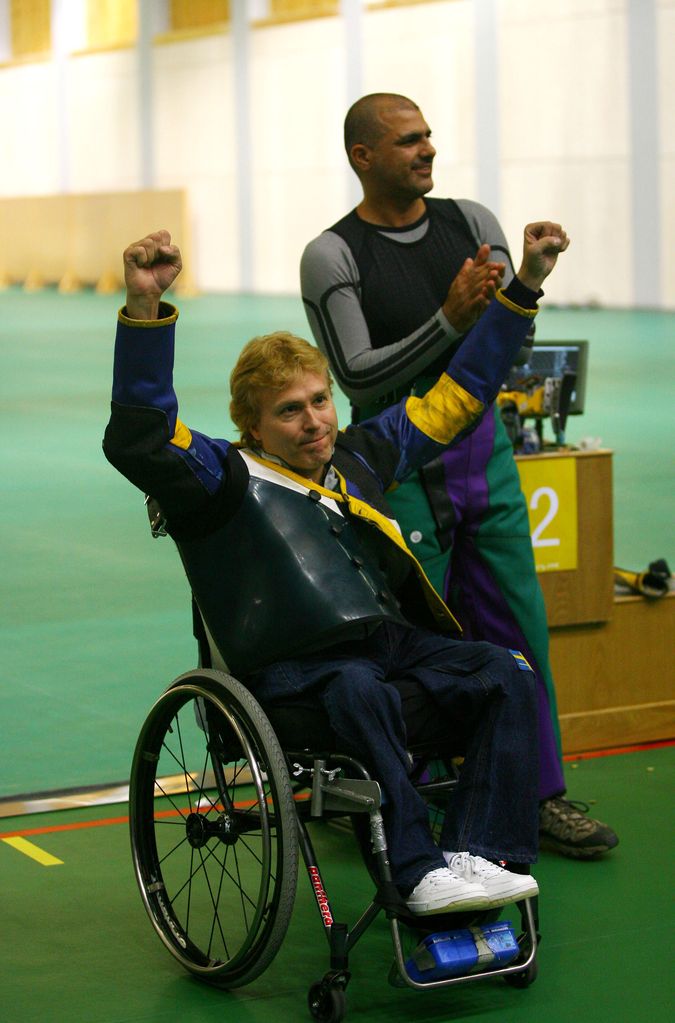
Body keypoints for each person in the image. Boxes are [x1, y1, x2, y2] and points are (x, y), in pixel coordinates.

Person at [104, 222, 566, 913]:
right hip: (289, 670)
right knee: (358, 687)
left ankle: (479, 852)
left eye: (320, 400)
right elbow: (142, 437)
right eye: (288, 412)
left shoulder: (361, 455)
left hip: (385, 647)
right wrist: (145, 308)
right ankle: (415, 868)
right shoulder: (221, 475)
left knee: (506, 671)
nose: (314, 421)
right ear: (252, 425)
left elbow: (462, 393)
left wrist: (524, 284)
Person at [300, 92, 618, 860]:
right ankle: (391, 798)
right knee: (409, 641)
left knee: (519, 625)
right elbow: (356, 372)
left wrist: (527, 281)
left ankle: (540, 793)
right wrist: (447, 320)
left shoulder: (472, 222)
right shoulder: (332, 255)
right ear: (362, 157)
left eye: (429, 137)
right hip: (396, 460)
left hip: (486, 453)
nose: (427, 150)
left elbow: (509, 339)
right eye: (408, 141)